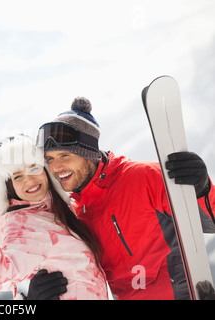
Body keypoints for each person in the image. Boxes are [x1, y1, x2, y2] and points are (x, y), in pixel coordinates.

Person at [29, 97, 215, 300]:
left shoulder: (142, 177)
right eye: (50, 159)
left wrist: (202, 189)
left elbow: (211, 223)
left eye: (65, 156)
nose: (56, 168)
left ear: (88, 153)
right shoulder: (75, 216)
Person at [0, 134, 108, 300]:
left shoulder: (60, 211)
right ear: (10, 187)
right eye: (18, 176)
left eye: (34, 168)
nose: (29, 180)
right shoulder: (22, 225)